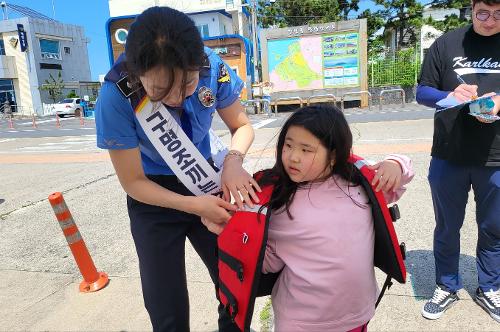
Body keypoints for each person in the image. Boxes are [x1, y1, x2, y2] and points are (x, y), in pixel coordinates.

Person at [95, 6, 260, 331]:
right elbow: (132, 181)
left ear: (198, 64)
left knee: (234, 288)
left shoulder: (213, 67)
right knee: (165, 306)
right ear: (136, 73)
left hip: (207, 182)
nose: (175, 100)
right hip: (153, 198)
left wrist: (233, 161)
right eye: (159, 91)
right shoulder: (116, 96)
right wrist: (190, 205)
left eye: (186, 86)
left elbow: (242, 127)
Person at [256, 105, 414, 331]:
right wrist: (228, 230)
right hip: (300, 321)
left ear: (333, 155)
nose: (293, 157)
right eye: (288, 145)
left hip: (356, 315)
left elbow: (403, 176)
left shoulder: (359, 185)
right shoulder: (279, 204)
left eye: (306, 149)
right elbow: (268, 261)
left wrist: (395, 164)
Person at [416, 0, 500, 322]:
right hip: (449, 152)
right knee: (447, 225)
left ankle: (488, 286)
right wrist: (449, 97)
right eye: (483, 13)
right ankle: (447, 285)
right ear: (472, 8)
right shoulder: (447, 43)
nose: (489, 21)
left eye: (497, 14)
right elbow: (423, 91)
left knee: (493, 226)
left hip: (495, 157)